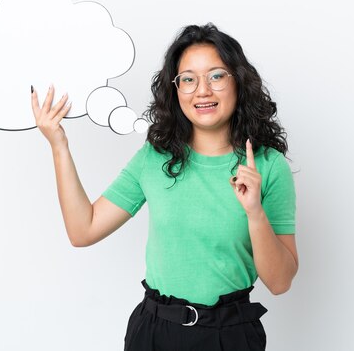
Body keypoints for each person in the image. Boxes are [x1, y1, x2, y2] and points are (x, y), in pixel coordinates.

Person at [30, 23, 298, 351]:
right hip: (154, 332)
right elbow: (82, 230)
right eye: (188, 79)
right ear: (176, 90)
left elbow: (280, 282)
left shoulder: (268, 166)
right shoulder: (154, 158)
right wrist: (59, 145)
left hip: (229, 334)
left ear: (238, 81)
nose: (202, 90)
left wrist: (255, 213)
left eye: (216, 75)